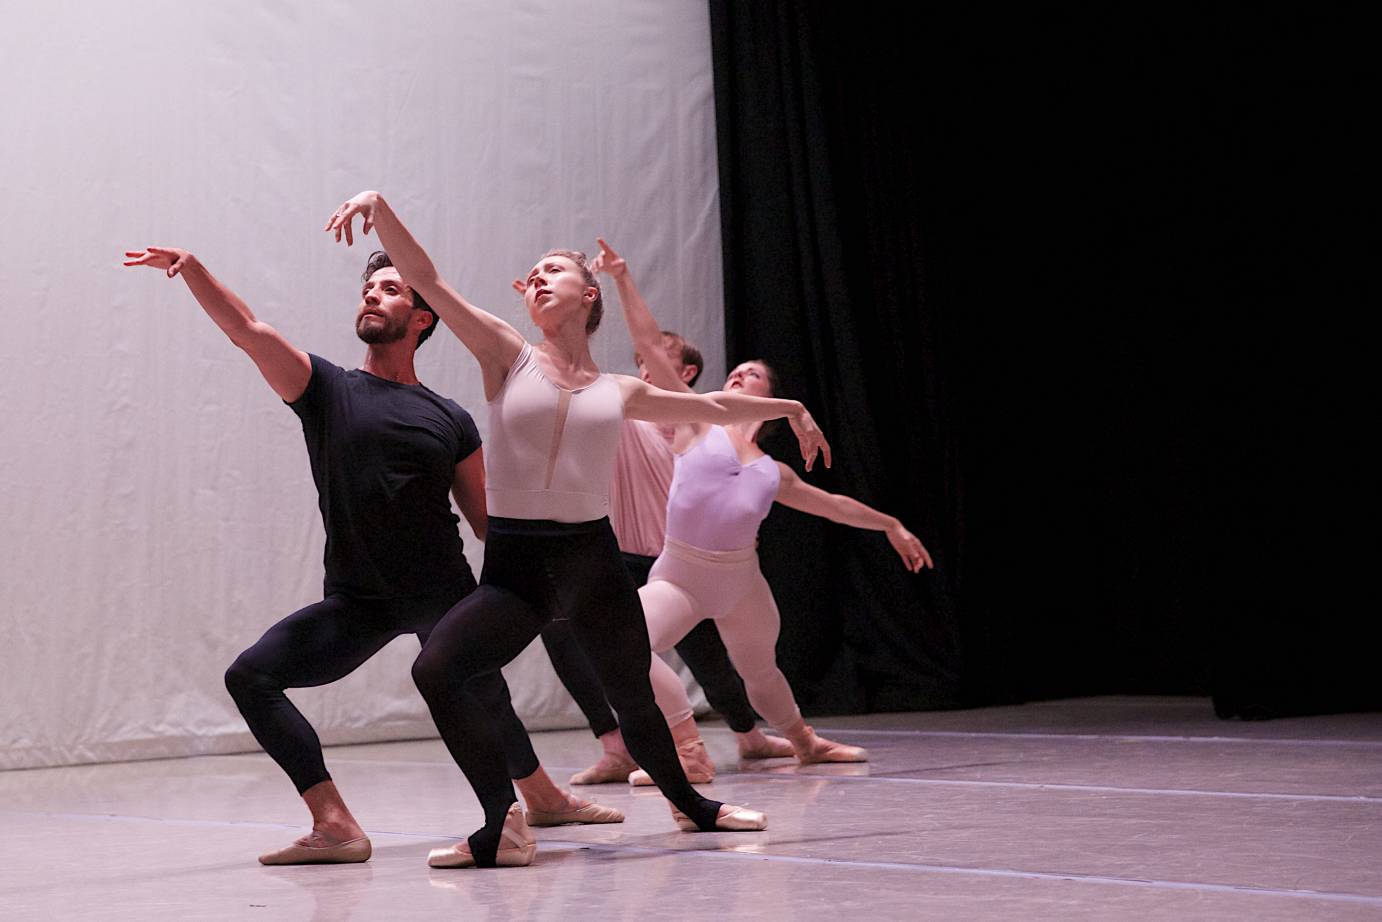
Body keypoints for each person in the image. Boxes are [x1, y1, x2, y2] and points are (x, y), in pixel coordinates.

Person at [323, 190, 830, 868]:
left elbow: (710, 406)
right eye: (532, 274)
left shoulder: (619, 389)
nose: (537, 278)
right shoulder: (506, 352)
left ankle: (693, 806)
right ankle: (502, 823)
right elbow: (430, 280)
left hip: (590, 560)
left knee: (633, 695)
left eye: (553, 270)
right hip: (519, 566)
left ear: (589, 296)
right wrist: (381, 209)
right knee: (438, 670)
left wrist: (789, 406)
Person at [122, 245, 620, 866]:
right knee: (251, 677)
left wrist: (545, 580)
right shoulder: (326, 389)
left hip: (441, 589)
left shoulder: (450, 417)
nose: (371, 296)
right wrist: (194, 268)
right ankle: (334, 824)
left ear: (421, 318)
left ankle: (539, 800)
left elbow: (489, 522)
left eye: (389, 290)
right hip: (357, 598)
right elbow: (248, 331)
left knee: (478, 686)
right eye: (368, 289)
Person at [584, 241, 934, 778]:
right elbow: (650, 345)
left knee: (761, 672)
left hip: (742, 583)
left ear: (769, 397)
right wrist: (623, 277)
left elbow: (834, 506)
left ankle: (804, 741)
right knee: (624, 644)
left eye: (751, 374)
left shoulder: (774, 472)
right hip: (681, 575)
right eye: (736, 372)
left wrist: (892, 525)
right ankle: (688, 750)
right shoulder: (697, 421)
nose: (737, 376)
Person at [521, 304, 794, 785]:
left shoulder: (707, 429)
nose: (646, 365)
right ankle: (618, 745)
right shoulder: (629, 416)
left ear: (685, 373)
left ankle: (749, 734)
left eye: (660, 359)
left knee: (710, 660)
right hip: (625, 558)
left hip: (680, 565)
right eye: (643, 361)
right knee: (564, 628)